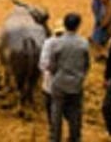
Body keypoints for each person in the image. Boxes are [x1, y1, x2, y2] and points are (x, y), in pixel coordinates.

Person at [41, 12, 89, 142]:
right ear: (78, 26)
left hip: (59, 83)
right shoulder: (83, 43)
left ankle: (55, 138)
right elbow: (86, 65)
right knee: (75, 113)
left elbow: (51, 66)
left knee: (56, 113)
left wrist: (57, 73)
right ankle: (75, 137)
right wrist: (80, 76)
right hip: (76, 84)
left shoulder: (57, 44)